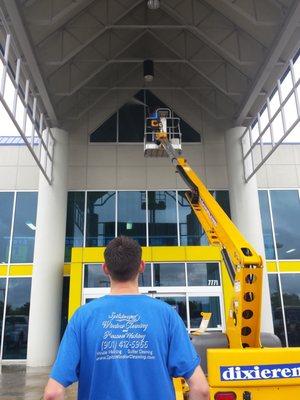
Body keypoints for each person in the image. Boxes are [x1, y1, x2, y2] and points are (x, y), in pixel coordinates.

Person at [44, 236, 209, 400]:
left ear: (105, 268)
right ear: (141, 266)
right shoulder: (167, 316)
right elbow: (201, 389)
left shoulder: (82, 317)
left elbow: (53, 393)